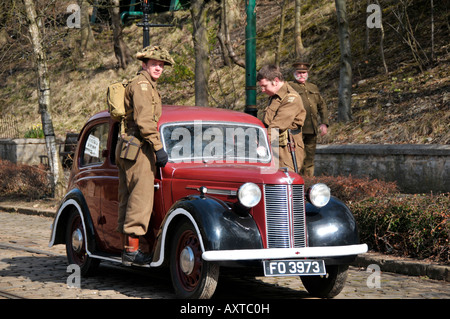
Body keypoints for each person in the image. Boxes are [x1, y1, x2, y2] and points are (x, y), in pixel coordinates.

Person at [115, 45, 174, 266]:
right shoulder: (142, 85)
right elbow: (144, 121)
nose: (158, 68)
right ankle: (131, 252)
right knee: (140, 199)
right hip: (139, 148)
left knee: (128, 198)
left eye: (161, 65)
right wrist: (158, 148)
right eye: (154, 64)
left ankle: (128, 248)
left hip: (132, 146)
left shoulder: (146, 84)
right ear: (144, 64)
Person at [257, 64, 306, 173]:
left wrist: (261, 143)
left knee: (286, 182)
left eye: (264, 86)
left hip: (286, 151)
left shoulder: (291, 98)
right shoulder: (274, 97)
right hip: (273, 147)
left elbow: (277, 126)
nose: (262, 90)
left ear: (276, 81)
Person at [289, 62, 329, 177]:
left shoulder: (313, 87)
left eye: (304, 72)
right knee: (297, 158)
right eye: (299, 73)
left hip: (312, 128)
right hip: (296, 129)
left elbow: (322, 105)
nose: (302, 75)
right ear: (294, 74)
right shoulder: (289, 87)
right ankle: (296, 181)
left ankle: (308, 181)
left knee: (310, 159)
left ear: (307, 74)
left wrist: (324, 123)